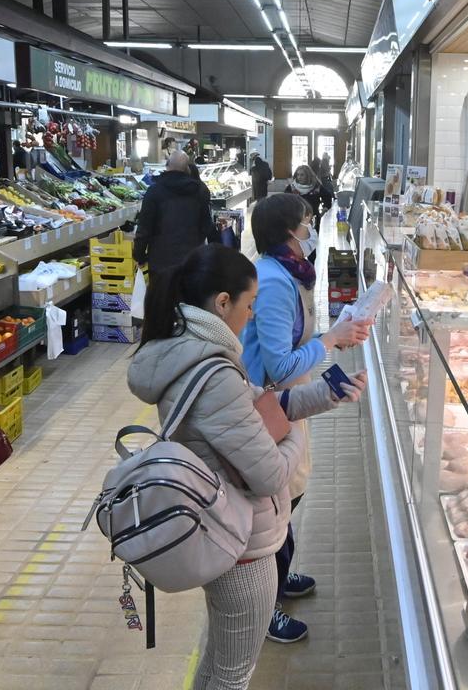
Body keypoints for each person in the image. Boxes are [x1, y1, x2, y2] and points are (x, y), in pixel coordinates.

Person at [128, 244, 365, 690]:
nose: (252, 315)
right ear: (222, 302)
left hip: (221, 528)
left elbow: (263, 404)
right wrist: (294, 438)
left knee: (220, 663)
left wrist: (329, 395)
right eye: (249, 304)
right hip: (243, 545)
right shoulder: (214, 374)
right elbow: (272, 474)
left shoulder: (190, 350)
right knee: (232, 675)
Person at [241, 194, 371, 643]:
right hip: (268, 409)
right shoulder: (275, 281)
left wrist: (330, 340)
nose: (311, 228)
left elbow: (292, 350)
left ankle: (280, 578)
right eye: (306, 222)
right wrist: (330, 340)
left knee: (286, 502)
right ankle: (265, 607)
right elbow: (278, 366)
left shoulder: (285, 273)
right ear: (287, 233)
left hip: (284, 402)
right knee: (273, 511)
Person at [133, 151, 218, 297]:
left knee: (162, 305)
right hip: (192, 260)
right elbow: (206, 226)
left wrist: (139, 255)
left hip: (160, 262)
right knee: (189, 304)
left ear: (167, 166)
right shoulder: (199, 190)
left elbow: (144, 228)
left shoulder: (154, 191)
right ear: (187, 168)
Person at [288, 164, 323, 231]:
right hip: (297, 220)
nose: (299, 177)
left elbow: (327, 196)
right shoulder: (292, 188)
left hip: (313, 220)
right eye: (298, 175)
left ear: (308, 176)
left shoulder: (316, 187)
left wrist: (325, 209)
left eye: (302, 175)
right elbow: (284, 201)